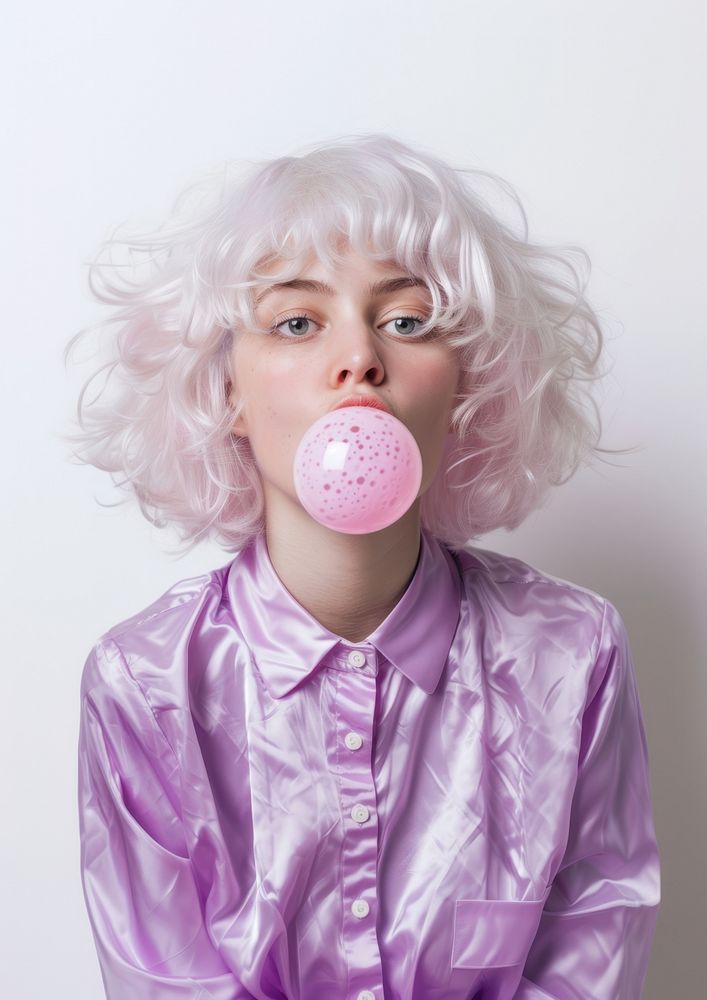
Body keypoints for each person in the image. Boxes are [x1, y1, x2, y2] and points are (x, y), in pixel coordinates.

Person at [65, 133, 661, 999]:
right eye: (297, 321)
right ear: (226, 391)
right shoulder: (143, 684)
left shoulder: (573, 655)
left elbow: (591, 956)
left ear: (468, 384)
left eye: (406, 320)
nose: (360, 360)